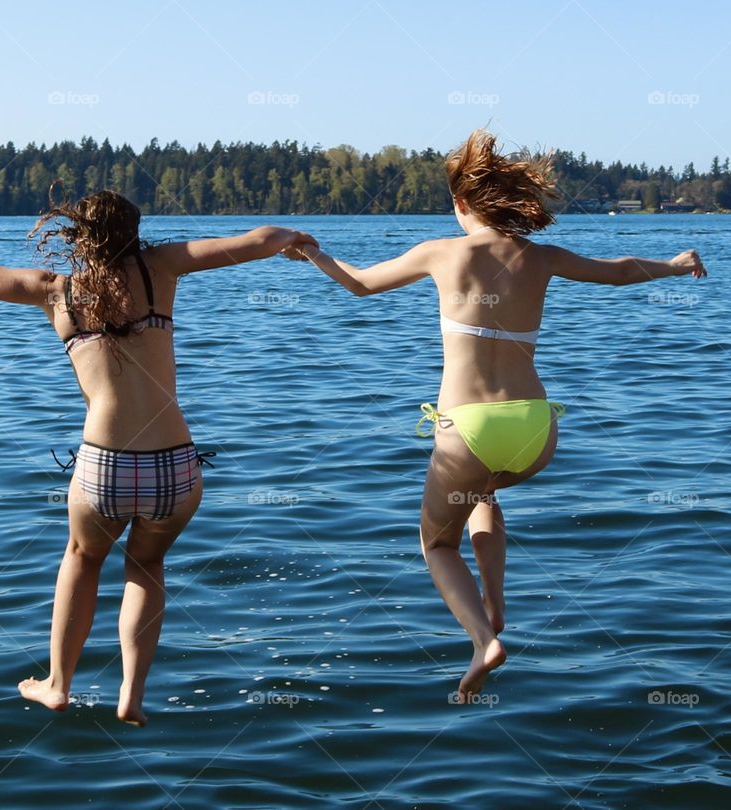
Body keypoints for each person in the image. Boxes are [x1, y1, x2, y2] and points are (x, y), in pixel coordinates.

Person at [0, 194, 316, 725]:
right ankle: (132, 693)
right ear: (135, 230)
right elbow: (258, 239)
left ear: (76, 237)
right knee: (147, 565)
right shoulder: (160, 268)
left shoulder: (55, 292)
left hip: (104, 465)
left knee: (82, 558)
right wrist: (294, 242)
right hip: (175, 465)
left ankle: (58, 684)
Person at [286, 129, 707, 704]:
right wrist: (677, 264)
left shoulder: (441, 252)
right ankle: (497, 603)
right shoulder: (541, 257)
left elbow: (359, 284)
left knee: (437, 544)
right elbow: (620, 270)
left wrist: (311, 252)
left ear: (462, 204)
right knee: (482, 494)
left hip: (468, 427)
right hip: (536, 427)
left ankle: (482, 640)